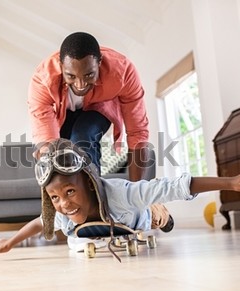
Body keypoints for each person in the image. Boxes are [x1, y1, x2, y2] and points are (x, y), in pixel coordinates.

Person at [0, 139, 240, 259]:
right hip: (101, 233)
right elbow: (39, 222)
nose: (64, 203)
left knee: (155, 214)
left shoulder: (119, 194)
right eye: (55, 197)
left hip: (138, 215)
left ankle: (163, 215)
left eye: (70, 191)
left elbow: (173, 185)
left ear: (87, 182)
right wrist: (9, 242)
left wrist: (232, 182)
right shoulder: (63, 212)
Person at [28, 31, 149, 181]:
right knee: (60, 152)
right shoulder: (43, 79)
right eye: (71, 76)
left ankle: (94, 196)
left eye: (89, 75)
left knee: (82, 138)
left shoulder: (123, 72)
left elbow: (137, 131)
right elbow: (46, 140)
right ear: (61, 66)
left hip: (98, 108)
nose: (80, 85)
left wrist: (137, 189)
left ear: (99, 63)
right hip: (62, 114)